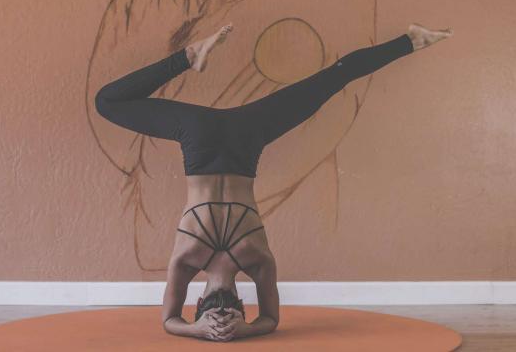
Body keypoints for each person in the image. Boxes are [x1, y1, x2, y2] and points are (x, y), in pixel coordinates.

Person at [94, 22, 453, 341]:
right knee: (107, 101)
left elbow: (269, 320)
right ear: (199, 300)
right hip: (200, 137)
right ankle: (189, 56)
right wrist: (197, 328)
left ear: (239, 302)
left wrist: (244, 328)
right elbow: (171, 321)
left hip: (246, 136)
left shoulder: (257, 260)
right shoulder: (187, 260)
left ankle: (411, 40)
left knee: (332, 79)